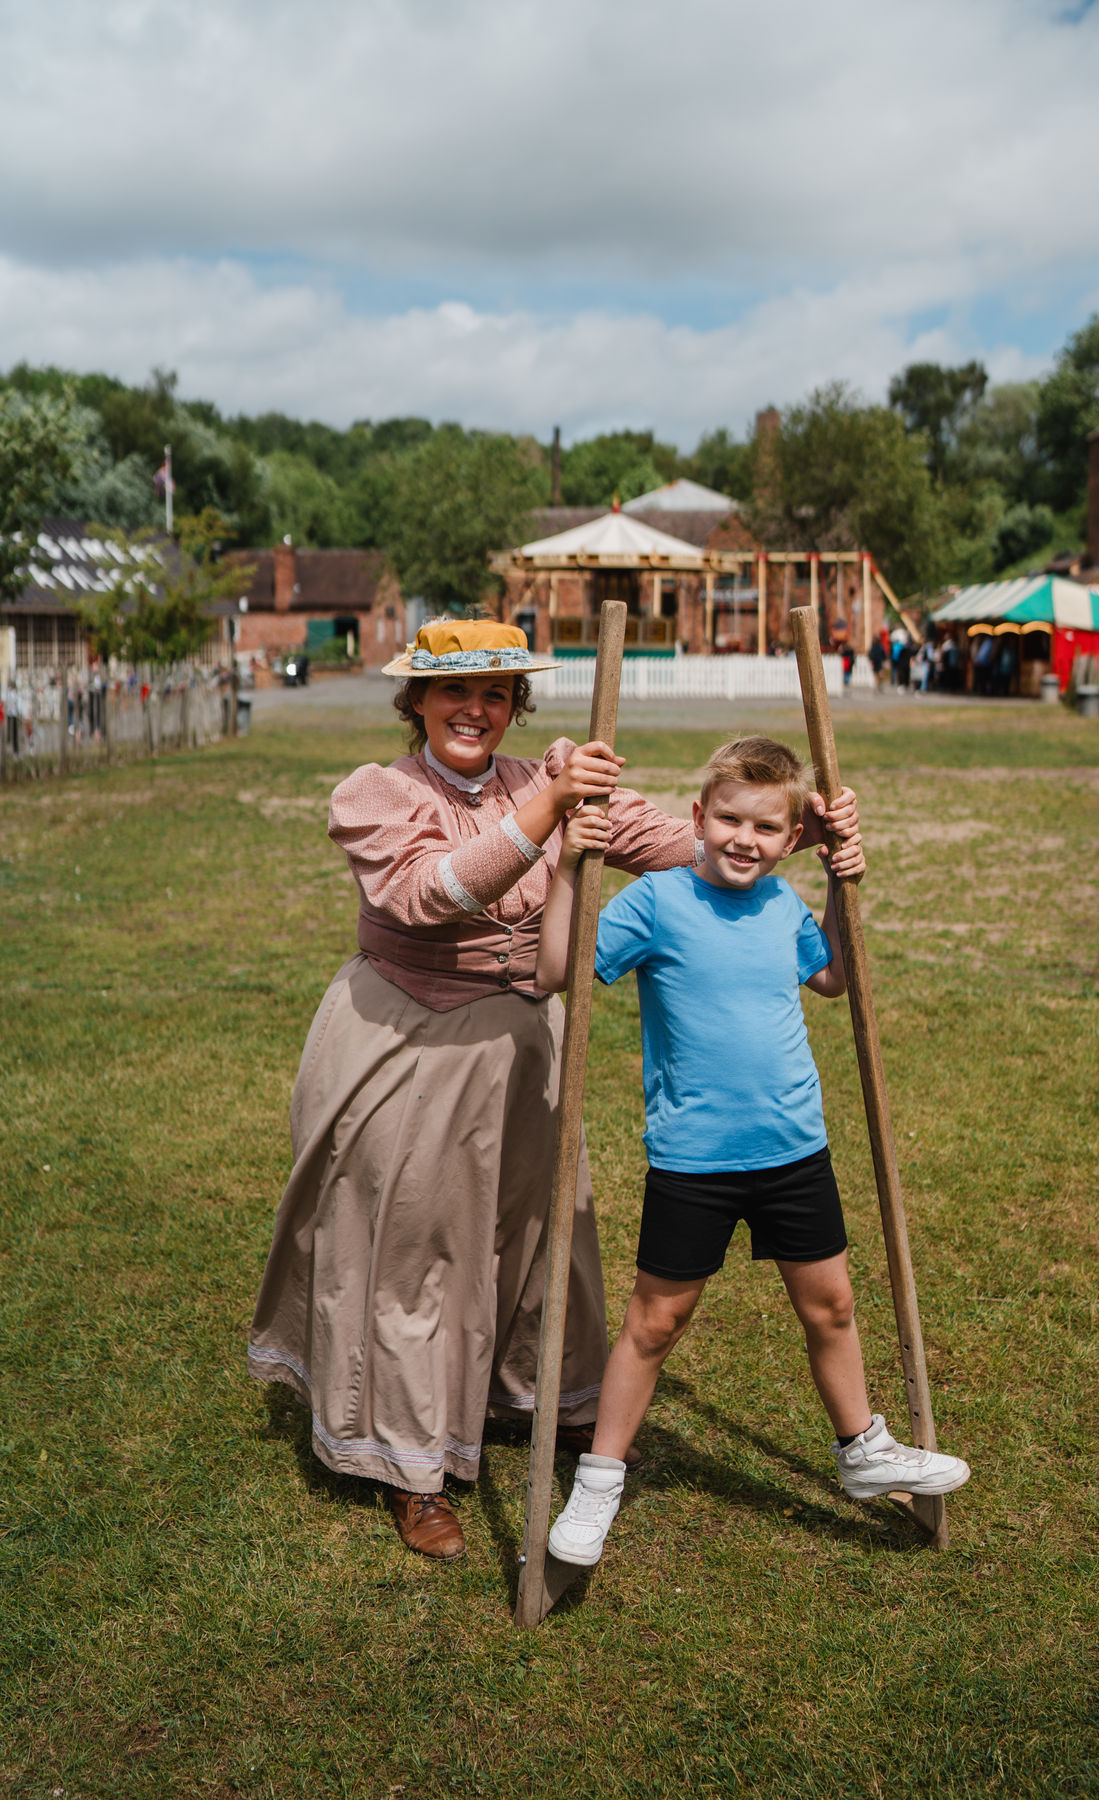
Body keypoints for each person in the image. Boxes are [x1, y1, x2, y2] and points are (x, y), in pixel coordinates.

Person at [247, 622, 863, 1562]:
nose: (475, 710)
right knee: (416, 1250)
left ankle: (529, 1406)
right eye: (455, 693)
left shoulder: (547, 774)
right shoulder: (378, 794)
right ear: (414, 702)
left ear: (515, 707)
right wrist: (548, 812)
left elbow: (670, 838)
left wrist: (793, 826)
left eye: (496, 694)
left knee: (537, 1242)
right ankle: (411, 1466)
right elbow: (431, 892)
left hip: (527, 1046)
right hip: (408, 1038)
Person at [536, 736, 970, 1568]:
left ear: (792, 837)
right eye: (728, 819)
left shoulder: (780, 908)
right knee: (656, 1322)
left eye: (767, 828)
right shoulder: (656, 901)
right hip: (694, 1158)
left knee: (832, 1307)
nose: (744, 839)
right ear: (696, 818)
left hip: (793, 1149)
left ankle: (863, 1451)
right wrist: (565, 866)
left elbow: (834, 978)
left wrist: (843, 884)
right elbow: (559, 969)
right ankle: (598, 1480)